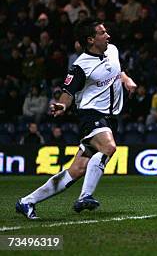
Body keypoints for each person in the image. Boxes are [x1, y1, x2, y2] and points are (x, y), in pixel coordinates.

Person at [16, 20, 137, 219]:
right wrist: (62, 105)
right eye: (102, 33)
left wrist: (126, 79)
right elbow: (68, 92)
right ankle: (85, 196)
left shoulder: (112, 50)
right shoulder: (80, 66)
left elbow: (117, 70)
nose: (108, 35)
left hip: (109, 117)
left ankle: (27, 201)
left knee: (77, 169)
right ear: (91, 40)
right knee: (109, 148)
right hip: (91, 115)